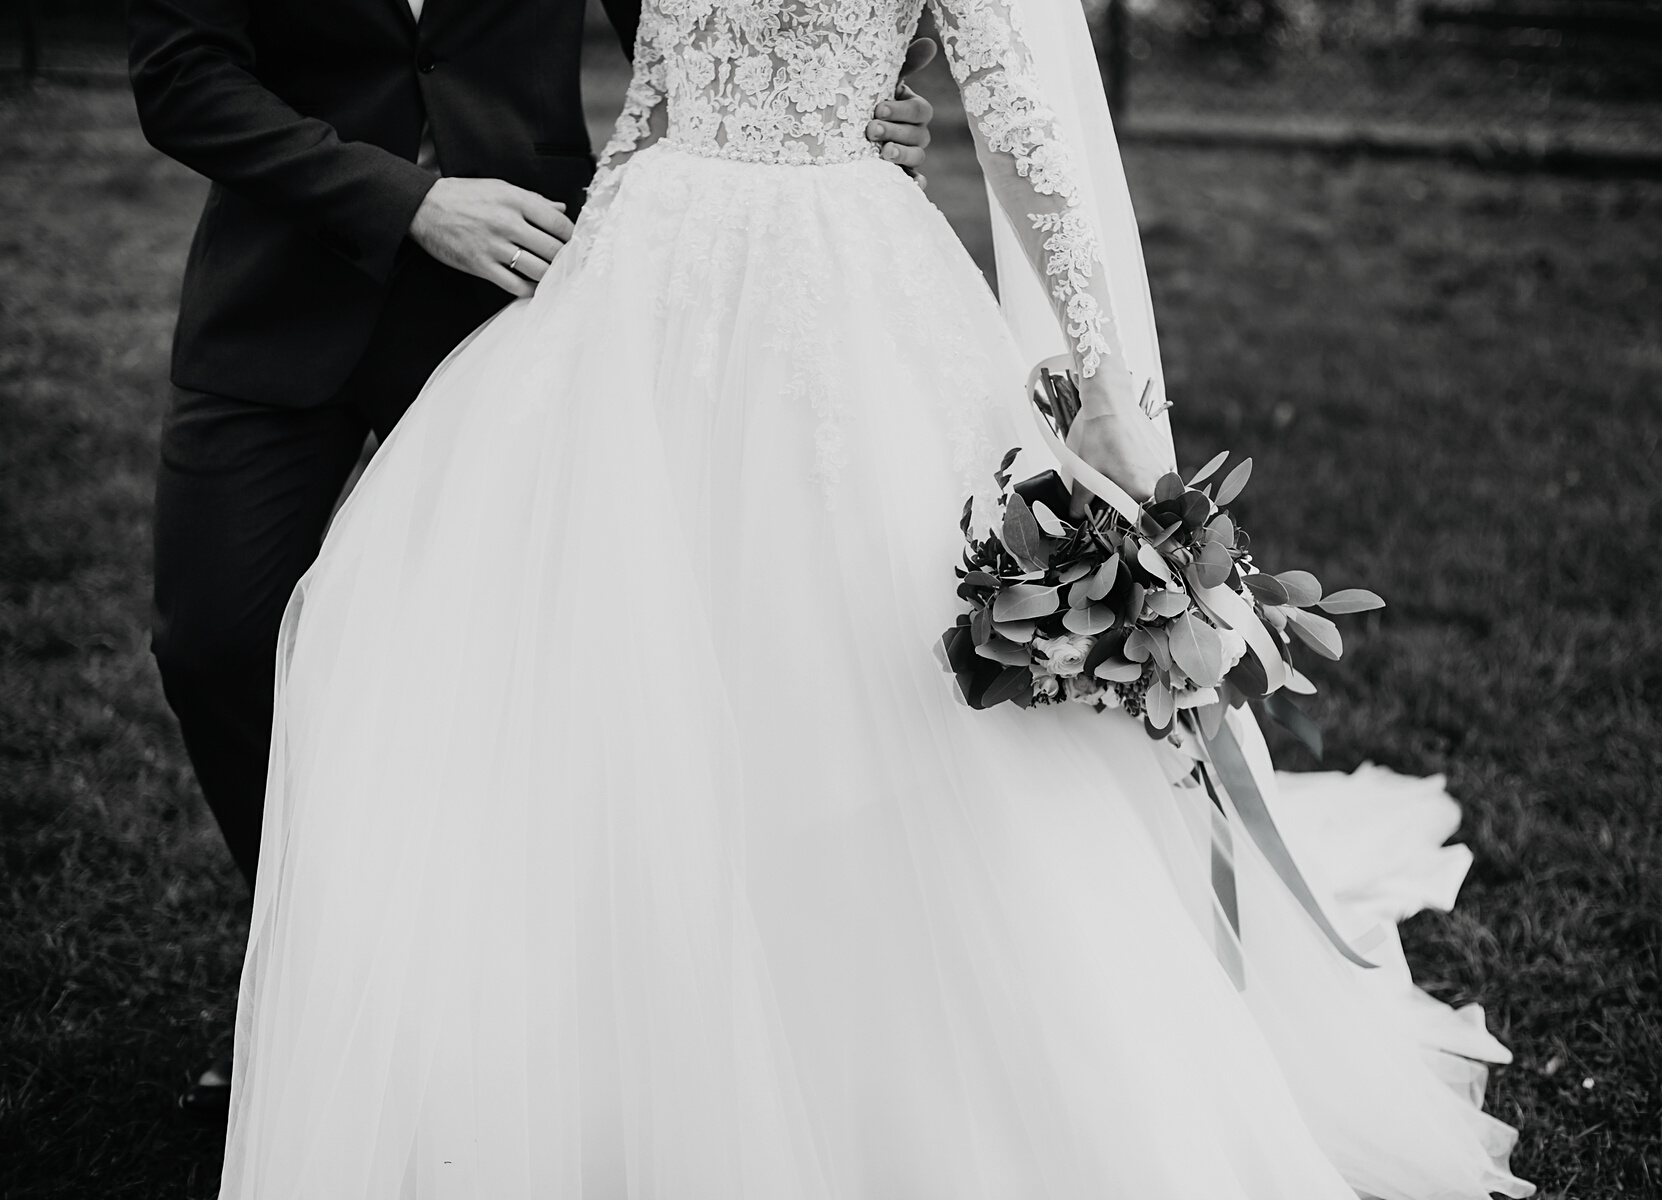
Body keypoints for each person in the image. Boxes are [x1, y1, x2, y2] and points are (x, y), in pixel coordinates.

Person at [216, 0, 1540, 1192]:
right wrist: (584, 282)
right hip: (650, 280)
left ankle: (840, 1052)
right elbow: (656, 90)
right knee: (634, 662)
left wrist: (1116, 404)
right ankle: (630, 1045)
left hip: (841, 282)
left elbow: (1029, 137)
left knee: (840, 667)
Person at [126, 0, 938, 1120]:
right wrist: (406, 201)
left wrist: (846, 103)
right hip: (280, 289)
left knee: (528, 661)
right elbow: (179, 79)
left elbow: (698, 15)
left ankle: (510, 1000)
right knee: (215, 641)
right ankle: (319, 974)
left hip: (528, 285)